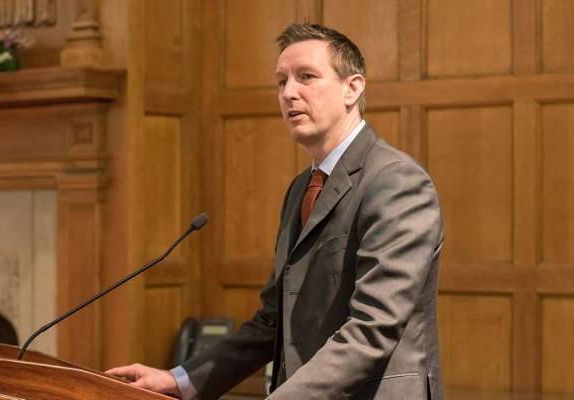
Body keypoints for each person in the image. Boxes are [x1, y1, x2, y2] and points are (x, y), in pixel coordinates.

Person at [107, 23, 444, 400]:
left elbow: (373, 328)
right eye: (282, 81)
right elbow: (272, 321)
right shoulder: (302, 188)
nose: (288, 93)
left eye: (306, 77)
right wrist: (181, 380)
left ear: (352, 88)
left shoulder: (395, 181)